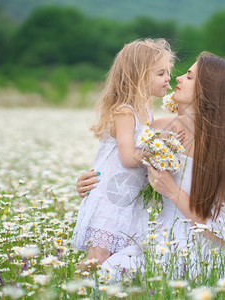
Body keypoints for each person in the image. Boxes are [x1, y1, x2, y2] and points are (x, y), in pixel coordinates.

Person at [76, 52, 225, 288]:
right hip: (157, 235)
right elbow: (122, 171)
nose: (178, 78)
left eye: (189, 76)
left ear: (208, 91)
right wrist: (92, 183)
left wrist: (172, 191)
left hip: (202, 250)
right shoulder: (158, 131)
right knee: (104, 276)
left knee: (110, 279)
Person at [72, 38, 175, 269]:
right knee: (98, 258)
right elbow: (128, 158)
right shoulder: (124, 112)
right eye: (160, 73)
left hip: (127, 197)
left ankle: (96, 289)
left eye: (166, 72)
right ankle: (72, 283)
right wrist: (157, 151)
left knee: (117, 255)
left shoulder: (146, 111)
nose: (168, 78)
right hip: (110, 196)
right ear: (138, 76)